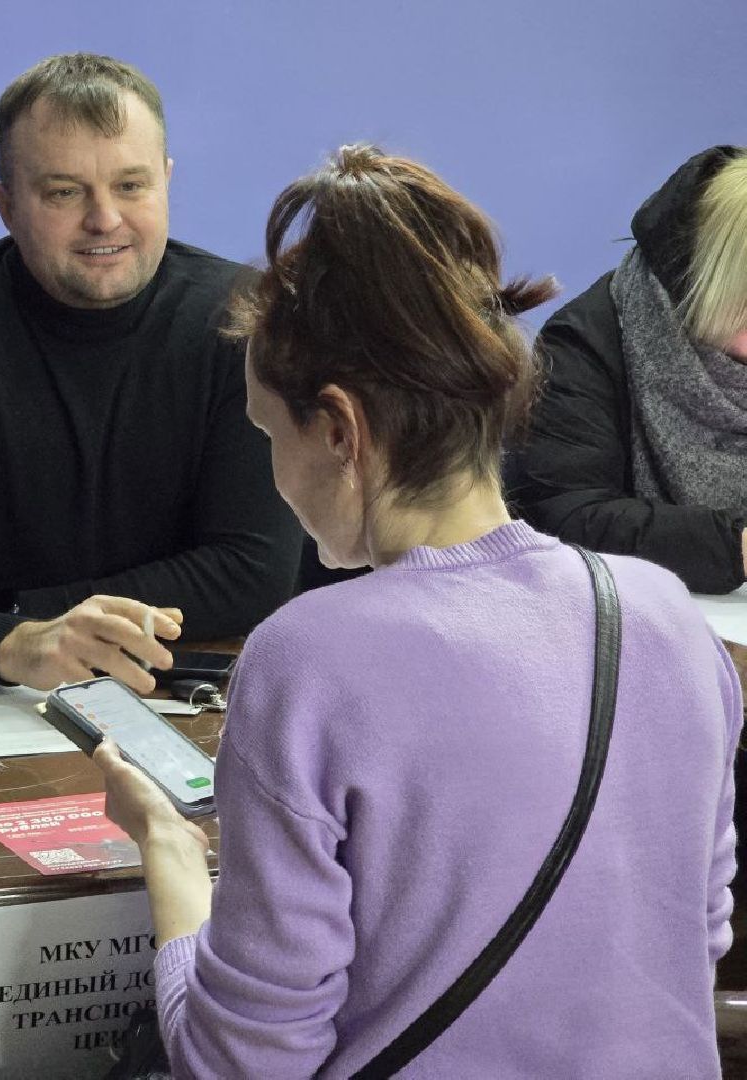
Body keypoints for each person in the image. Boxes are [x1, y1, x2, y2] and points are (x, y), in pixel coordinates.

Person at [96, 145, 738, 1077]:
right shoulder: (669, 615)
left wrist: (170, 861)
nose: (273, 475)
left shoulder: (304, 661)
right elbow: (697, 934)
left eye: (270, 435)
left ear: (341, 430)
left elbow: (243, 1062)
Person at [0, 53, 301, 692]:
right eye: (64, 192)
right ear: (5, 205)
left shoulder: (245, 320)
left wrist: (25, 613)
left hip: (184, 687)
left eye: (131, 185)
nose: (105, 219)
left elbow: (254, 568)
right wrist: (14, 641)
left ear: (167, 180)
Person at [515, 145, 747, 595]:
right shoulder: (583, 344)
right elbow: (567, 515)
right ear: (705, 289)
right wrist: (736, 545)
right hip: (624, 620)